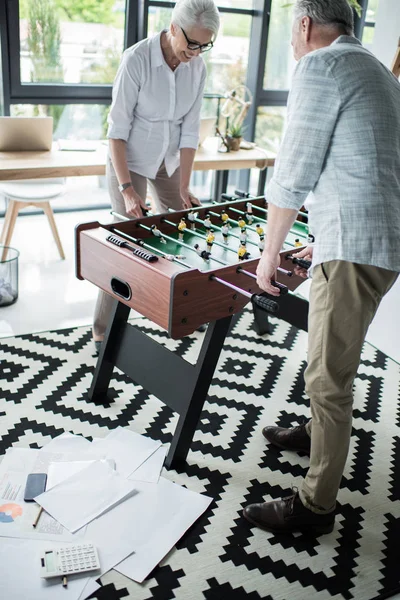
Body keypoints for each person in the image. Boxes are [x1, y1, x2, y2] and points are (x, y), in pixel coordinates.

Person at [243, 0, 400, 535]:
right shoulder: (373, 67)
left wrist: (269, 253)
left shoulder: (320, 65)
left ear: (306, 24)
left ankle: (314, 508)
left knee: (327, 377)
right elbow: (365, 159)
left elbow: (294, 169)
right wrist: (328, 233)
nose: (291, 42)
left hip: (356, 249)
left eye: (291, 29)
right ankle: (315, 436)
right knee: (333, 359)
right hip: (376, 241)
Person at [92, 0, 220, 351]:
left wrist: (184, 186)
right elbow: (116, 132)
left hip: (169, 159)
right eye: (191, 43)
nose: (196, 52)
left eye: (205, 45)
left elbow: (191, 131)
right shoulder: (137, 59)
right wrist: (128, 189)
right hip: (129, 161)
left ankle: (178, 313)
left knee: (183, 232)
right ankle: (102, 330)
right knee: (124, 242)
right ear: (173, 28)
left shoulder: (198, 67)